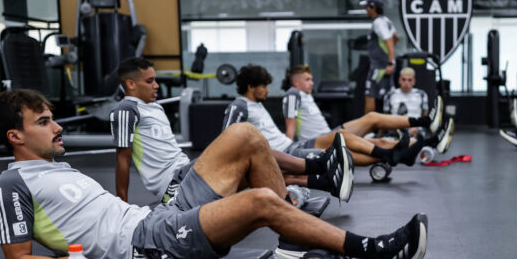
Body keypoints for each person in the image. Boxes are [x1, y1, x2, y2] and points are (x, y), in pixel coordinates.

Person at [0, 89, 429, 259]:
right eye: (44, 122)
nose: (58, 126)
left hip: (153, 217)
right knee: (258, 201)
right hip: (147, 248)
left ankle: (297, 235)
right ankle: (380, 252)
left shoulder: (58, 167)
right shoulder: (11, 184)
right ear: (15, 137)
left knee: (244, 135)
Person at [110, 57, 351, 203]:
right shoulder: (126, 110)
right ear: (130, 84)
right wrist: (123, 206)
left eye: (155, 79)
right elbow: (123, 159)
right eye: (149, 81)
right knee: (251, 142)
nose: (156, 85)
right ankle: (319, 164)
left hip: (186, 171)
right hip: (174, 185)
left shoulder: (154, 108)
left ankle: (325, 183)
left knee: (264, 171)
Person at [224, 64, 429, 168]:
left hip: (291, 147)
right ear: (251, 87)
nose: (268, 91)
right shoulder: (240, 105)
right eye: (263, 86)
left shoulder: (257, 104)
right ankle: (392, 154)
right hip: (289, 149)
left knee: (354, 145)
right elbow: (227, 138)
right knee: (345, 136)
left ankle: (399, 155)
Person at [282, 64, 453, 152]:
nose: (312, 83)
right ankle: (428, 120)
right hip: (319, 142)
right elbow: (290, 130)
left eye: (311, 79)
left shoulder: (305, 95)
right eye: (307, 79)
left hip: (328, 136)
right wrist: (291, 154)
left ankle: (431, 142)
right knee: (372, 118)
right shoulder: (292, 94)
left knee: (380, 142)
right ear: (295, 82)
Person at [361, 0, 399, 114]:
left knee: (370, 95)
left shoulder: (378, 23)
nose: (366, 9)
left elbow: (389, 41)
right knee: (388, 98)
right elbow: (395, 38)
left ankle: (367, 131)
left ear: (373, 8)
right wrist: (389, 55)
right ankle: (385, 130)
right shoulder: (386, 20)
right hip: (384, 65)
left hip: (380, 66)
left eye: (367, 7)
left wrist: (389, 62)